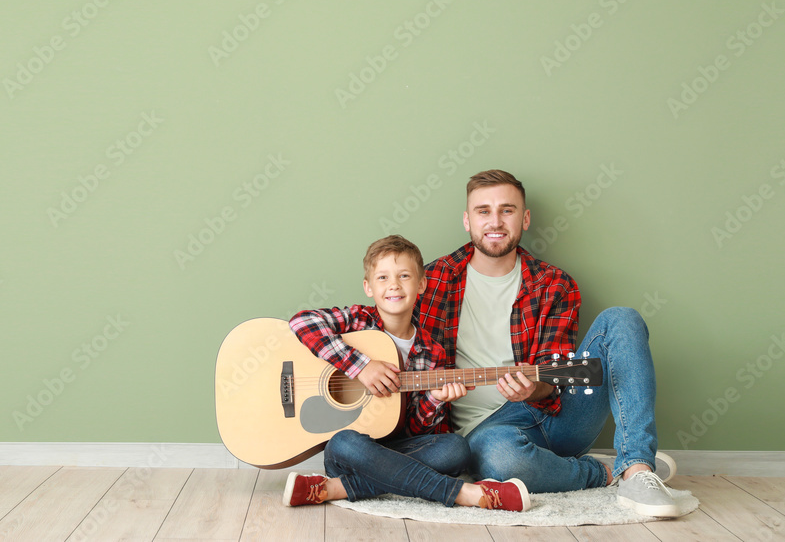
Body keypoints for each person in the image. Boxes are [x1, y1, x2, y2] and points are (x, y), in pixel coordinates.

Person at [413, 169, 681, 518]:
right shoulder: (429, 281)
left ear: (524, 219)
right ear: (467, 220)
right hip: (487, 435)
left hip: (558, 418)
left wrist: (533, 388)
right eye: (483, 211)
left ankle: (638, 469)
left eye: (507, 210)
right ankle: (604, 471)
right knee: (499, 457)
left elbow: (553, 379)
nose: (495, 221)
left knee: (622, 319)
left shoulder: (555, 284)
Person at [283, 235, 529, 511]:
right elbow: (302, 322)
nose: (394, 286)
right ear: (368, 287)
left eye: (404, 276)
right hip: (351, 450)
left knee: (455, 449)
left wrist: (435, 399)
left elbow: (413, 429)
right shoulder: (359, 321)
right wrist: (361, 366)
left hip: (399, 448)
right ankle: (466, 494)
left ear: (421, 284)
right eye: (383, 278)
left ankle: (334, 488)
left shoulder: (432, 352)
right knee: (343, 442)